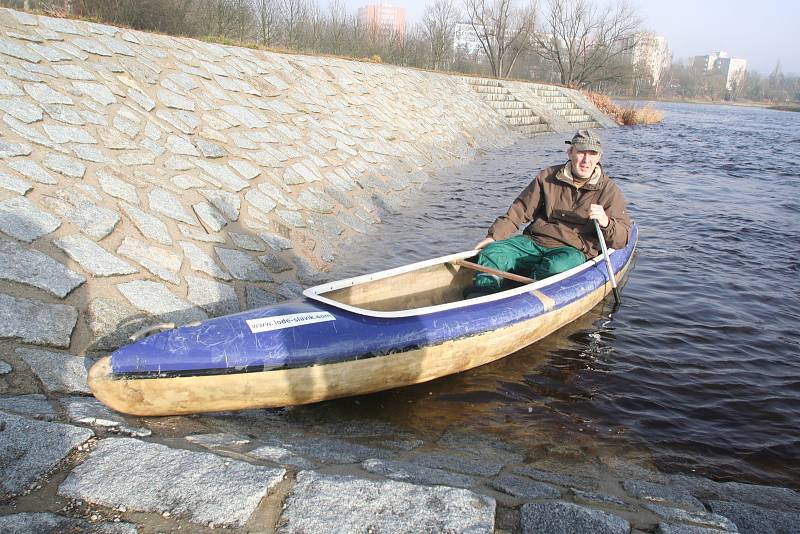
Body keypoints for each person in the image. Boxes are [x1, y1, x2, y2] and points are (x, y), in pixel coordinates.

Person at [469, 129, 631, 294]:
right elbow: (520, 210)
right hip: (534, 241)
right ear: (570, 152)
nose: (586, 160)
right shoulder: (547, 177)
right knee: (493, 252)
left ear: (599, 157)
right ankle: (482, 297)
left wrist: (606, 222)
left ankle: (523, 294)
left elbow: (622, 239)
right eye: (581, 152)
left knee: (555, 267)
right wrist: (494, 236)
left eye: (592, 154)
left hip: (574, 250)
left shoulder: (609, 190)